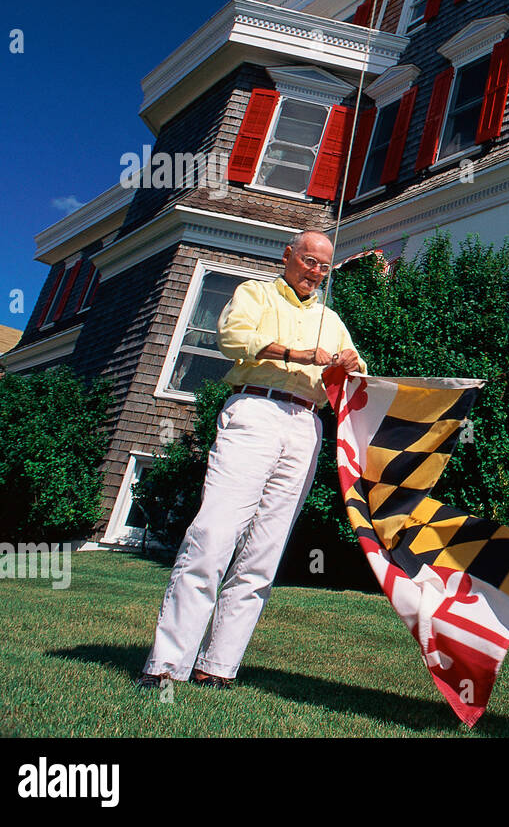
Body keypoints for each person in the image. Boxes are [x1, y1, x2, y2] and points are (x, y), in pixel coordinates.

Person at [137, 229, 365, 689]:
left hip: (306, 424)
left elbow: (356, 375)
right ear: (288, 256)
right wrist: (297, 354)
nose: (315, 272)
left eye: (323, 266)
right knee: (212, 535)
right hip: (254, 410)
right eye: (308, 260)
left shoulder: (331, 318)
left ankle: (217, 666)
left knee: (265, 550)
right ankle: (166, 665)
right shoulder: (254, 294)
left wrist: (352, 366)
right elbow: (233, 338)